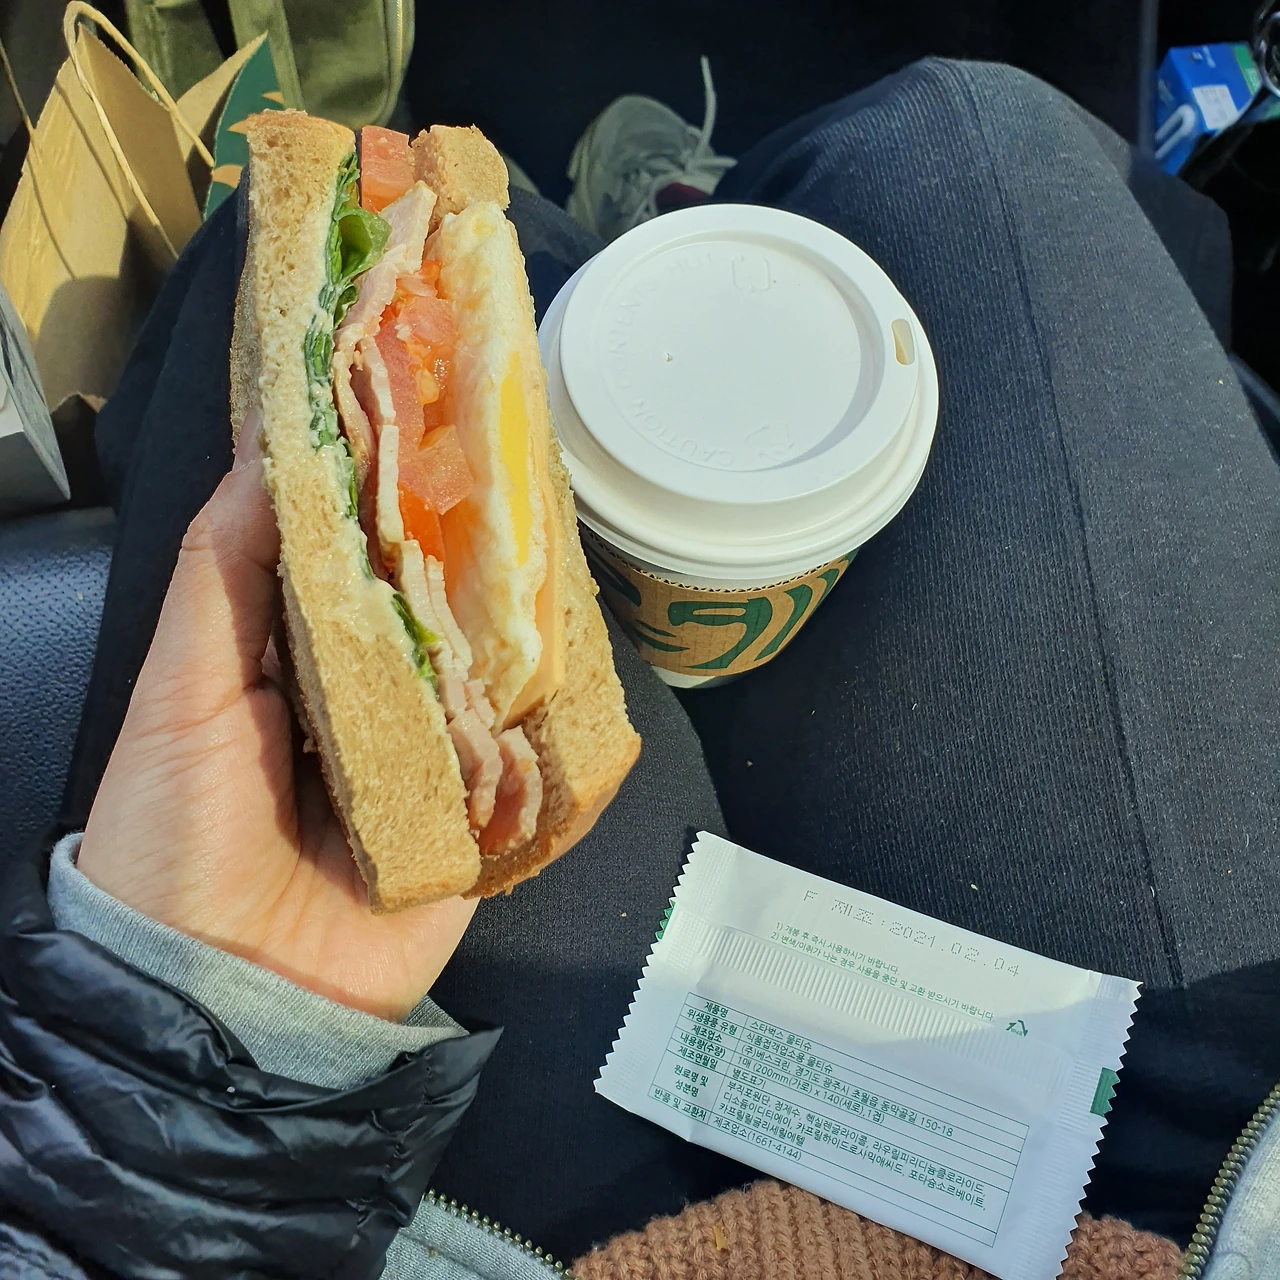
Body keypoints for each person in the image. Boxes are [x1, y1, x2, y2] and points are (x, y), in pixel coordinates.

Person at [0, 56, 1276, 1280]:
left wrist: (189, 1073)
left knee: (260, 240)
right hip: (1218, 1188)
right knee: (965, 133)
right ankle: (648, 219)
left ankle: (620, 221)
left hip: (529, 1224)